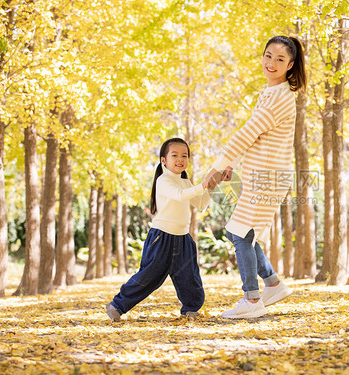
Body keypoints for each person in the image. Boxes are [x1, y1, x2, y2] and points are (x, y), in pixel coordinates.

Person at [205, 35, 307, 319]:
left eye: (280, 59)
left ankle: (252, 301)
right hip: (262, 176)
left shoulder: (281, 97)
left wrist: (217, 165)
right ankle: (272, 284)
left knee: (240, 233)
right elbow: (258, 138)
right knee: (240, 232)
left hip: (268, 177)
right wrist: (232, 165)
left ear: (290, 65)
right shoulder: (271, 93)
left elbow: (247, 133)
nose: (271, 63)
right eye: (268, 55)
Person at [106, 138, 210, 321]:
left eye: (184, 156)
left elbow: (200, 204)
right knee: (148, 277)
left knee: (190, 277)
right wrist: (202, 185)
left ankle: (191, 309)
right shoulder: (163, 180)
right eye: (175, 155)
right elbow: (179, 196)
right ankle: (117, 305)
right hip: (161, 238)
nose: (180, 159)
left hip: (183, 239)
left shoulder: (186, 183)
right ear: (164, 160)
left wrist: (210, 186)